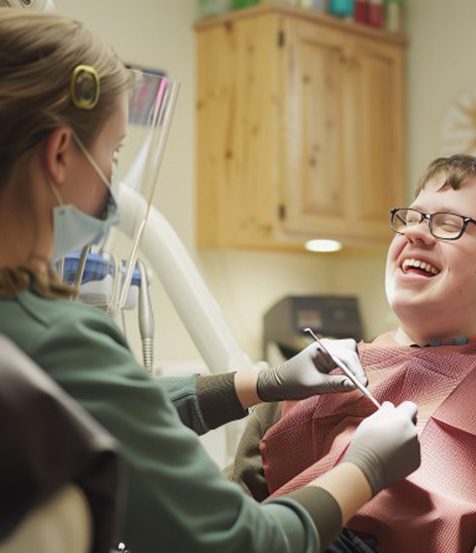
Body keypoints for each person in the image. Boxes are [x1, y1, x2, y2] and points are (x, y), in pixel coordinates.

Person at [0, 10, 421, 553]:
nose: (112, 182)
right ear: (60, 154)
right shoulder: (53, 335)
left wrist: (261, 383)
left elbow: (93, 407)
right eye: (113, 154)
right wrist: (363, 468)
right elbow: (239, 542)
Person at [227, 155, 476, 553]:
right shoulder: (317, 375)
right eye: (413, 217)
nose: (417, 234)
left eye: (450, 224)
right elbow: (224, 517)